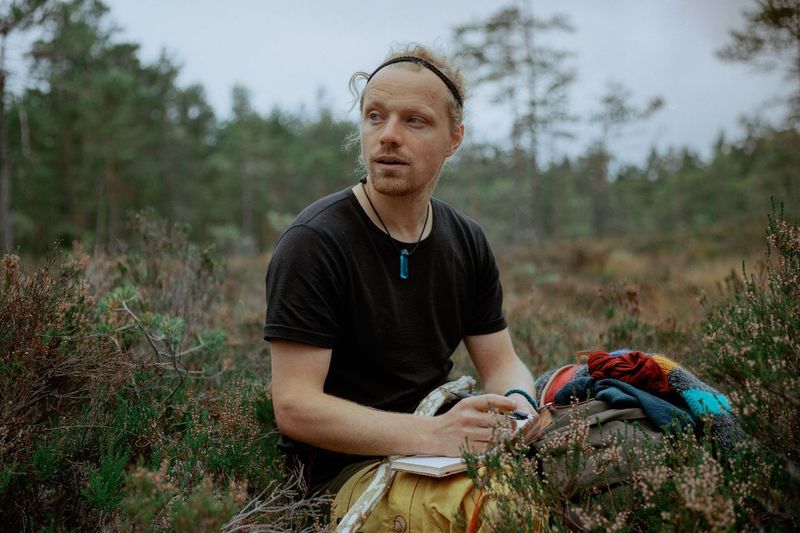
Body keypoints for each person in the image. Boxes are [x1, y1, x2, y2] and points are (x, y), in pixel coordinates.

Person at [264, 44, 542, 503]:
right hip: (343, 472)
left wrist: (519, 411)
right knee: (491, 508)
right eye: (375, 116)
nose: (388, 136)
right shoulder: (315, 242)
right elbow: (295, 407)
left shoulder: (466, 239)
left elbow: (501, 363)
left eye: (414, 120)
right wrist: (435, 434)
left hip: (437, 448)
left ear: (454, 138)